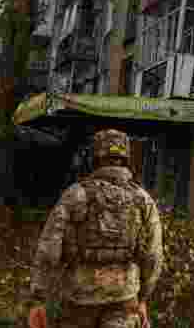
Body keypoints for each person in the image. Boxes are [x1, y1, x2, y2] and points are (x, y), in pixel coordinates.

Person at [26, 129, 163, 328]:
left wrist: (38, 299)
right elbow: (153, 256)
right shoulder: (143, 200)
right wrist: (142, 298)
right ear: (126, 158)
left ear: (94, 158)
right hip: (124, 299)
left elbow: (49, 250)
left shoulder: (75, 195)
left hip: (79, 300)